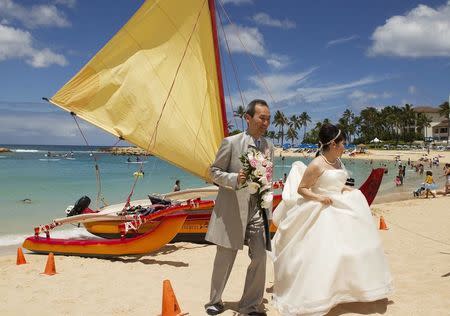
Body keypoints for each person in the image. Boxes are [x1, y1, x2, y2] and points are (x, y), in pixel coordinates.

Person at [271, 123, 392, 315]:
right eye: (343, 143)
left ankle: (345, 289)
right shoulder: (317, 164)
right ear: (334, 143)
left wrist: (348, 191)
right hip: (320, 208)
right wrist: (319, 198)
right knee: (322, 255)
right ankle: (320, 295)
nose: (345, 147)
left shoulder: (338, 162)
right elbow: (302, 189)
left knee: (347, 251)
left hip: (339, 207)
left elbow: (338, 184)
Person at [205, 99, 273, 316]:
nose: (266, 123)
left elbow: (268, 178)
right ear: (248, 118)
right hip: (233, 208)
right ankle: (215, 300)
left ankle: (250, 305)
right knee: (225, 257)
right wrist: (235, 178)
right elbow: (213, 172)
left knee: (260, 256)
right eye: (262, 118)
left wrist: (268, 211)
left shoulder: (269, 146)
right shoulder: (231, 143)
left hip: (257, 210)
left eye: (268, 119)